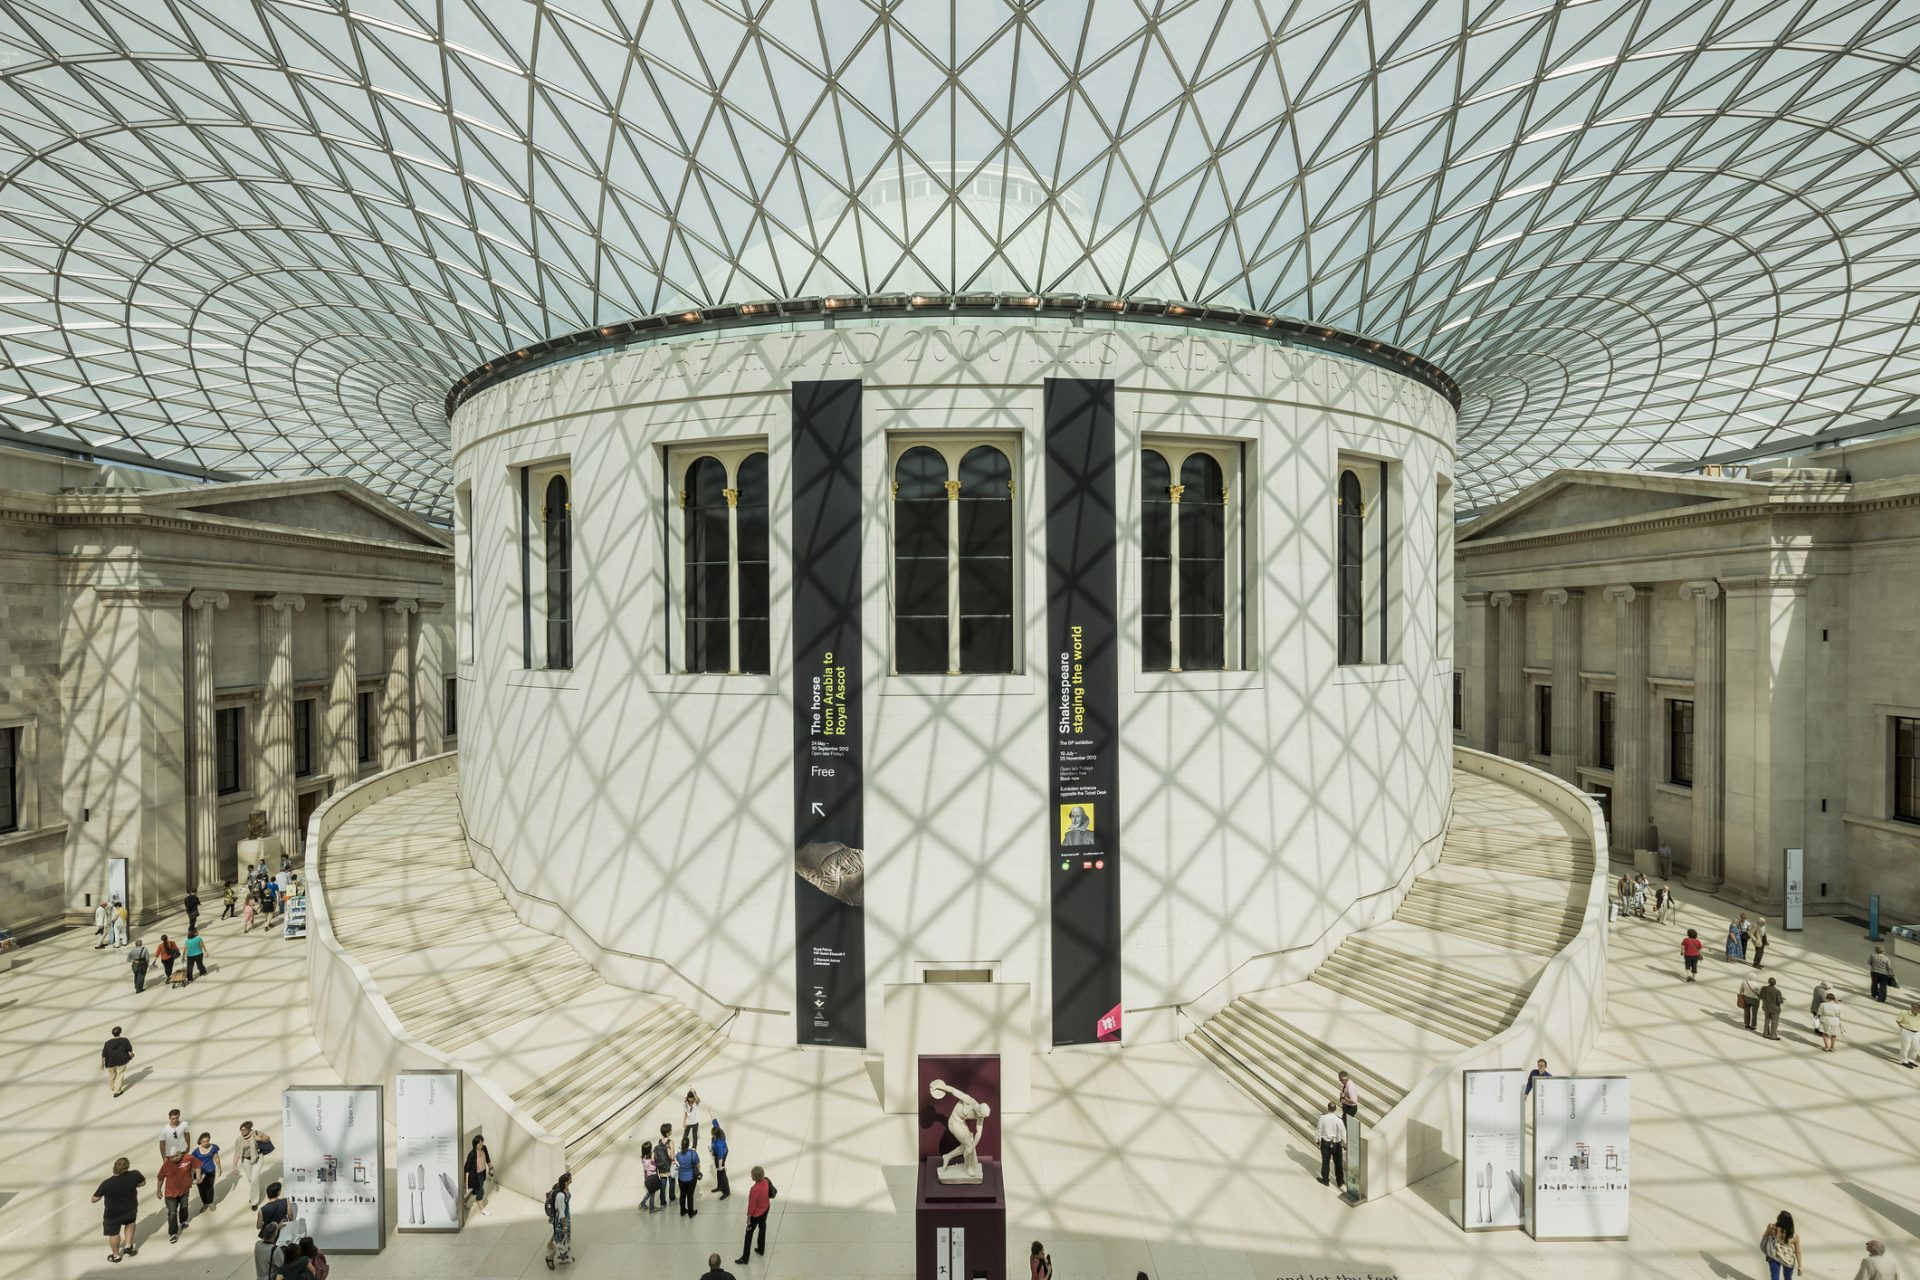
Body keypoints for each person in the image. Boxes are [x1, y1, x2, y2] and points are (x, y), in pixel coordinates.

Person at [92, 1155, 145, 1262]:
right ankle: (128, 1246)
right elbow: (142, 1183)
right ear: (127, 1167)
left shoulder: (107, 1184)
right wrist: (132, 1185)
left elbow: (94, 1199)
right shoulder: (134, 1175)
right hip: (130, 1209)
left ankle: (116, 1256)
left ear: (114, 1168)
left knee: (114, 1234)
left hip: (113, 1214)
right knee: (130, 1223)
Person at [736, 1165, 775, 1265]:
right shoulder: (766, 1181)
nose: (750, 1176)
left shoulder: (754, 1189)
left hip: (756, 1215)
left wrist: (749, 1218)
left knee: (748, 1235)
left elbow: (752, 1206)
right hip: (766, 1208)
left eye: (752, 1174)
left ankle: (745, 1258)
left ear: (756, 1176)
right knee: (762, 1227)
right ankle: (761, 1249)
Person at [158, 1146, 197, 1242]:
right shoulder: (166, 1165)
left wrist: (193, 1177)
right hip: (171, 1194)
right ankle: (173, 1233)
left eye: (176, 1156)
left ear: (180, 1153)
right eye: (172, 1157)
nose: (174, 1158)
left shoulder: (188, 1158)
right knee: (172, 1213)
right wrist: (158, 1190)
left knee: (184, 1207)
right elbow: (160, 1178)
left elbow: (196, 1165)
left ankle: (183, 1221)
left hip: (184, 1191)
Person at [255, 1182, 292, 1280]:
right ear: (278, 1192)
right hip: (284, 1234)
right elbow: (291, 1216)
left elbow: (258, 1226)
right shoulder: (286, 1201)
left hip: (270, 1239)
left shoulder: (262, 1210)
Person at [1762, 1210, 1804, 1280]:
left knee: (1774, 1277)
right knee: (1788, 1278)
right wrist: (1800, 1266)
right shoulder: (1795, 1237)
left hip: (1774, 1256)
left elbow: (1764, 1236)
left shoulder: (1771, 1227)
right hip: (1788, 1260)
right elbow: (1798, 1252)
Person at [543, 1172, 572, 1270]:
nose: (571, 1180)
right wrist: (564, 1226)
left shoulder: (564, 1189)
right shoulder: (560, 1196)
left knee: (566, 1238)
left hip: (565, 1218)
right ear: (566, 1182)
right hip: (561, 1221)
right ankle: (549, 1258)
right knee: (560, 1241)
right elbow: (561, 1213)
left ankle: (565, 1255)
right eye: (570, 1179)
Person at [1315, 1101, 1347, 1187]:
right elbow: (1343, 1133)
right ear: (1335, 1109)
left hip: (1326, 1143)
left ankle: (1325, 1180)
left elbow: (1319, 1129)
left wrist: (1317, 1140)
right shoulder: (1339, 1120)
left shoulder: (1322, 1118)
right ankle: (1340, 1181)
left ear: (1328, 1108)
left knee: (1325, 1162)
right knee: (1338, 1163)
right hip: (1336, 1143)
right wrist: (1345, 1144)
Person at [190, 1132, 221, 1210]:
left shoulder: (213, 1147)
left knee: (210, 1187)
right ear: (200, 1141)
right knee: (201, 1188)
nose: (206, 1143)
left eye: (207, 1141)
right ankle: (205, 1203)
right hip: (199, 1172)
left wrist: (219, 1168)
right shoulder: (196, 1152)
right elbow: (192, 1165)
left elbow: (216, 1158)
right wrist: (191, 1176)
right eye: (204, 1141)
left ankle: (210, 1202)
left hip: (210, 1170)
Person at [463, 1134, 492, 1217]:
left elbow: (487, 1158)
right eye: (480, 1143)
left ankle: (464, 1201)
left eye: (482, 1142)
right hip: (474, 1175)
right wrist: (465, 1181)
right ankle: (482, 1209)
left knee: (476, 1190)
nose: (482, 1144)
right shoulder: (472, 1154)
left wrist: (490, 1167)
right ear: (476, 1144)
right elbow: (466, 1168)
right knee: (480, 1191)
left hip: (482, 1173)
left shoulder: (484, 1148)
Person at [102, 1026, 134, 1097]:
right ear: (120, 1032)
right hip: (122, 1061)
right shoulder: (124, 1040)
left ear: (112, 1033)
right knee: (119, 1076)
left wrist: (102, 1064)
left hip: (110, 1062)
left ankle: (113, 1087)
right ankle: (117, 1091)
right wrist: (132, 1054)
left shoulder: (107, 1043)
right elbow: (129, 1049)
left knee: (112, 1076)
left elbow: (104, 1054)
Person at [676, 1137, 701, 1216]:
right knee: (690, 1195)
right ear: (688, 1144)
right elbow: (698, 1164)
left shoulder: (678, 1155)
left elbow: (677, 1164)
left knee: (682, 1195)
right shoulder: (692, 1153)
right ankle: (691, 1212)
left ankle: (682, 1211)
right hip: (691, 1178)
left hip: (681, 1178)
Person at [658, 1122, 678, 1204]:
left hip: (662, 1166)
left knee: (663, 1184)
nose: (671, 1130)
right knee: (672, 1182)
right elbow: (672, 1156)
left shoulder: (660, 1141)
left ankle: (662, 1202)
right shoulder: (671, 1142)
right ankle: (672, 1199)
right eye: (670, 1130)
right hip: (669, 1166)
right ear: (667, 1133)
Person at [711, 1119, 731, 1199]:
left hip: (722, 1154)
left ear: (715, 1135)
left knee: (722, 1172)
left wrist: (720, 1167)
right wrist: (710, 1111)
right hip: (719, 1153)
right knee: (718, 1171)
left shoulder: (719, 1144)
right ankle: (720, 1186)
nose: (711, 1135)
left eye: (712, 1134)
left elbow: (720, 1158)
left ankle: (726, 1191)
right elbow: (715, 1121)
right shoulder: (719, 1130)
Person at [640, 1141, 662, 1212]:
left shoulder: (644, 1158)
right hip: (651, 1178)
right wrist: (654, 1163)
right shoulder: (647, 1160)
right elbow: (652, 1168)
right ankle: (651, 1208)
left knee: (649, 1193)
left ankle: (642, 1204)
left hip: (648, 1177)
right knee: (651, 1193)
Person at [1898, 1000, 1920, 1069]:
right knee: (1905, 1047)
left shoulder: (1919, 1015)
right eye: (1918, 1008)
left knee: (1915, 1047)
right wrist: (1903, 1028)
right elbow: (1898, 1020)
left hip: (1916, 1032)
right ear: (1913, 1008)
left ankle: (1911, 1060)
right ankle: (1904, 1061)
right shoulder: (1904, 1013)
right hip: (1906, 1031)